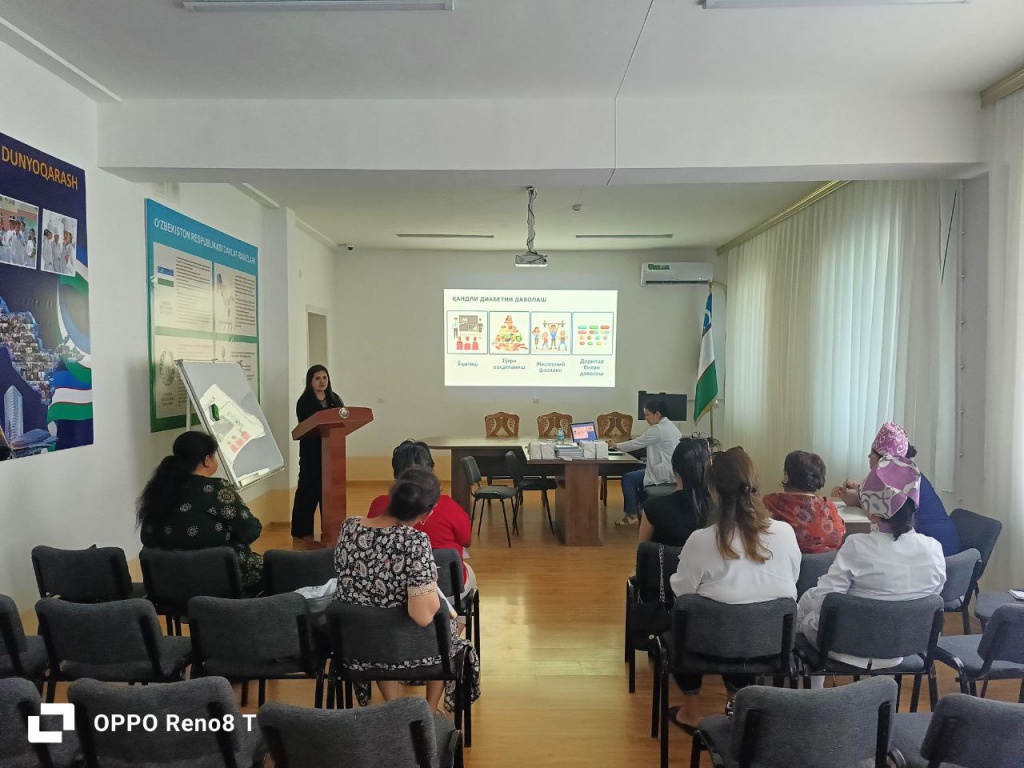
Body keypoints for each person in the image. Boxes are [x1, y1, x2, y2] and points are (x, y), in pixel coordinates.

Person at [667, 447, 801, 731]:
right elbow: (792, 579)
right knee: (745, 622)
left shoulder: (701, 540)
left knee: (686, 619)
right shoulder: (786, 533)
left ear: (713, 491)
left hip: (707, 645)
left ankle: (691, 711)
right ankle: (735, 703)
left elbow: (682, 592)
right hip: (769, 645)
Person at [334, 467, 481, 713]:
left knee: (378, 622)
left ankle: (394, 708)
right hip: (406, 648)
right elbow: (422, 616)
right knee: (447, 630)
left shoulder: (349, 527)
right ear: (426, 514)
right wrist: (432, 590)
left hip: (358, 644)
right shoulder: (414, 541)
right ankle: (429, 710)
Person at [799, 454, 946, 675]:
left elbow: (825, 602)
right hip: (900, 649)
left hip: (847, 647)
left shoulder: (858, 546)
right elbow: (931, 596)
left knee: (805, 611)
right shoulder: (934, 549)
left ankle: (812, 690)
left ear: (873, 508)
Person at [136, 430, 263, 592]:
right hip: (219, 580)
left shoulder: (159, 490)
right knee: (279, 569)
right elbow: (250, 529)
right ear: (207, 460)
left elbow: (148, 538)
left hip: (168, 583)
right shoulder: (217, 490)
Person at [367, 440, 476, 603]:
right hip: (445, 589)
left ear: (396, 473)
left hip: (392, 590)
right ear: (430, 470)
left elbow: (371, 542)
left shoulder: (379, 504)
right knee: (468, 573)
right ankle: (451, 627)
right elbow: (466, 540)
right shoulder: (447, 505)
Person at [834, 422, 961, 556]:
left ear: (884, 458)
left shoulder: (903, 484)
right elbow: (880, 507)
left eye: (872, 453)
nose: (868, 457)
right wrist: (852, 495)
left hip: (936, 555)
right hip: (943, 553)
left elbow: (879, 510)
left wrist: (860, 488)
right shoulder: (909, 477)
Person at [290, 364, 344, 539]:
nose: (322, 382)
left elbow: (343, 420)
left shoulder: (335, 399)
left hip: (331, 454)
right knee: (308, 491)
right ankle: (301, 532)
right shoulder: (304, 402)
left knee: (328, 493)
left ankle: (331, 530)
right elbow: (306, 425)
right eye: (317, 378)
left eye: (324, 378)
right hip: (311, 455)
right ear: (310, 381)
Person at [611, 399, 683, 526]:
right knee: (636, 469)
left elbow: (636, 443)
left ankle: (632, 516)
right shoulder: (672, 426)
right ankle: (639, 508)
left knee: (628, 479)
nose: (646, 419)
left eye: (647, 415)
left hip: (663, 473)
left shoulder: (658, 429)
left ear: (657, 414)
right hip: (672, 470)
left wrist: (615, 445)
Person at [763, 451, 845, 554]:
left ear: (786, 476)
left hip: (786, 566)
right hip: (826, 567)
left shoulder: (772, 503)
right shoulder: (830, 507)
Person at [638, 436, 714, 547]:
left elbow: (642, 554)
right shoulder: (719, 509)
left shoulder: (652, 507)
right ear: (707, 469)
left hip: (665, 564)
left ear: (674, 469)